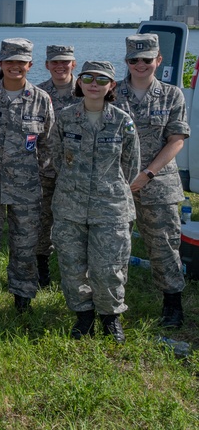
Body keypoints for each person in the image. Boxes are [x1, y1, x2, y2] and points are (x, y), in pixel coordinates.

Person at [52, 61, 139, 343]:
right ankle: (83, 317)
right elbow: (56, 159)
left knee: (108, 268)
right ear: (79, 82)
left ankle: (110, 319)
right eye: (88, 78)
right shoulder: (65, 118)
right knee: (72, 266)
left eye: (102, 80)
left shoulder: (122, 121)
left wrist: (106, 187)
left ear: (111, 86)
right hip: (70, 205)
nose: (94, 84)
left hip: (110, 208)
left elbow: (131, 166)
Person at [0, 38, 54, 318]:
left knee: (25, 245)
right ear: (0, 64)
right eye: (9, 61)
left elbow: (48, 144)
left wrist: (31, 172)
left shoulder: (41, 99)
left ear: (30, 65)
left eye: (21, 62)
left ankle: (22, 299)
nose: (15, 66)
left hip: (27, 188)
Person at [114, 33, 190, 328]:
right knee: (115, 246)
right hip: (118, 184)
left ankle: (172, 304)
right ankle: (112, 306)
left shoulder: (172, 95)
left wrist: (147, 175)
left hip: (158, 185)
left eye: (147, 59)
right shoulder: (113, 93)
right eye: (134, 60)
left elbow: (176, 140)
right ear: (127, 62)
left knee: (164, 246)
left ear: (158, 60)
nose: (140, 64)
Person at [35, 44, 79, 287]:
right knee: (42, 222)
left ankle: (74, 275)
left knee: (74, 224)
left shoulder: (87, 91)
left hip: (77, 174)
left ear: (74, 64)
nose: (60, 66)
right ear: (47, 65)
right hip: (46, 170)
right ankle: (42, 271)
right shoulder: (39, 93)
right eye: (55, 62)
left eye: (65, 62)